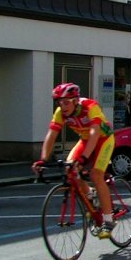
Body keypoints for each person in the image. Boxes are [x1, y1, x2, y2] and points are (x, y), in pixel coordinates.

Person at [32, 83, 116, 239]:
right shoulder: (60, 113)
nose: (62, 106)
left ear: (76, 100)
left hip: (103, 139)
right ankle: (90, 195)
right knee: (69, 168)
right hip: (85, 140)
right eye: (59, 102)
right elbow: (51, 136)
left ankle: (108, 220)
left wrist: (84, 158)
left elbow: (94, 133)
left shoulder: (90, 106)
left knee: (96, 174)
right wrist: (42, 160)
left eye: (66, 102)